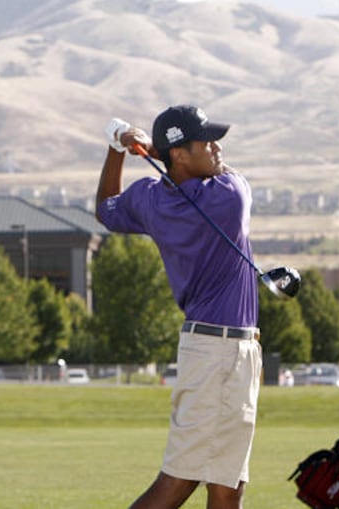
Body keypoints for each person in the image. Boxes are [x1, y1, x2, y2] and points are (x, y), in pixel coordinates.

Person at [95, 105, 262, 509]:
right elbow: (231, 175)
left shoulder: (150, 200)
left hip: (216, 352)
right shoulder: (228, 197)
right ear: (181, 154)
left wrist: (117, 148)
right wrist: (154, 147)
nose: (217, 148)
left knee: (227, 485)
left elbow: (106, 208)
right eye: (206, 142)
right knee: (180, 480)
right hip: (220, 355)